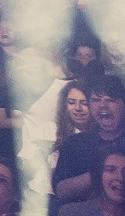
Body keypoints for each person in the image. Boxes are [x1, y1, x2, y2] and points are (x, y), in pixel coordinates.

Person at [52, 73, 124, 204]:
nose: (103, 105)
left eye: (110, 100)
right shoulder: (76, 144)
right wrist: (99, 174)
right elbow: (61, 191)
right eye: (96, 100)